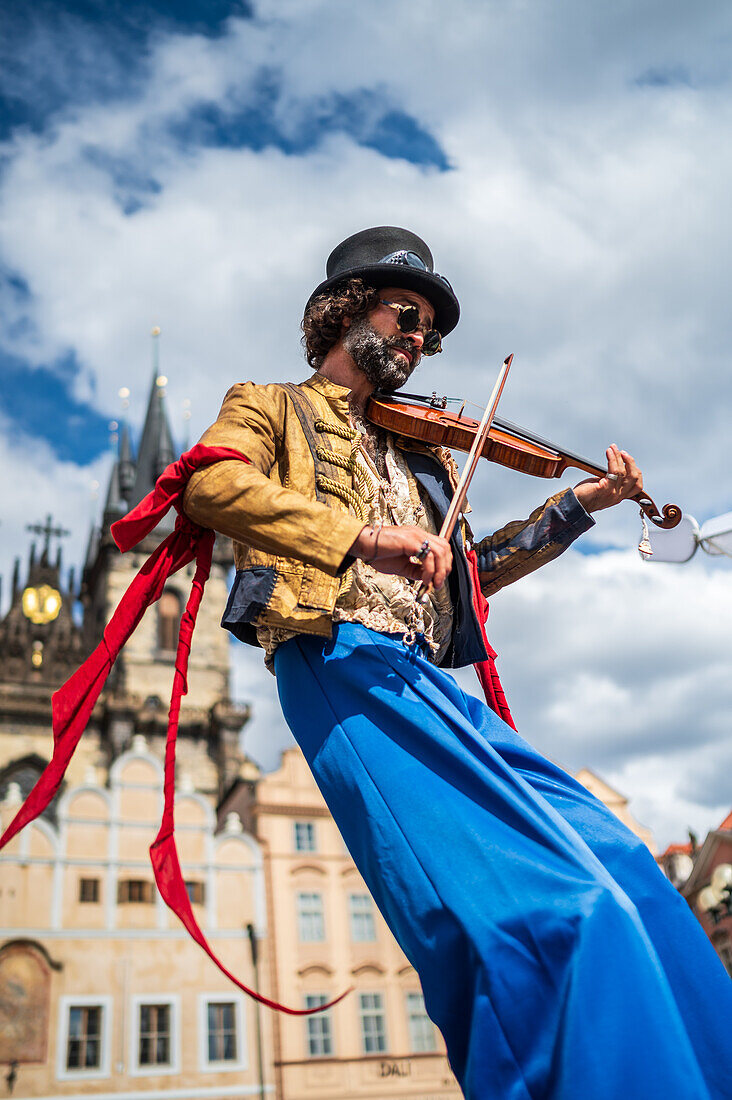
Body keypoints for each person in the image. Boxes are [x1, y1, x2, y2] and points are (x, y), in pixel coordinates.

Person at [183, 227, 732, 1100]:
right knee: (552, 916)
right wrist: (360, 538)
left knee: (633, 878)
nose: (419, 341)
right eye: (409, 317)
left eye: (429, 334)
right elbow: (208, 485)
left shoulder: (426, 452)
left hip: (422, 677)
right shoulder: (271, 405)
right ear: (346, 309)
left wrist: (582, 502)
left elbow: (473, 576)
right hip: (338, 661)